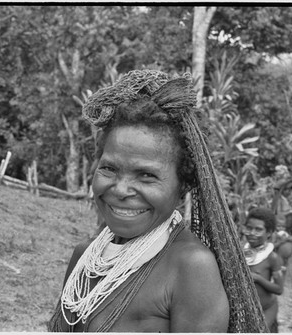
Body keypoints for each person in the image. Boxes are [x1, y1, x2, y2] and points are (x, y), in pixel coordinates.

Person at [48, 70, 267, 332]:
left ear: (184, 184)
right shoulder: (85, 255)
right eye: (109, 169)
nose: (121, 189)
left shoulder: (190, 267)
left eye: (147, 175)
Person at [243, 207, 284, 333]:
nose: (252, 233)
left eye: (258, 229)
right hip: (245, 310)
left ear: (269, 233)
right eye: (249, 228)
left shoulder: (272, 258)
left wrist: (258, 278)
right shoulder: (240, 251)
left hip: (266, 308)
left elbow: (279, 289)